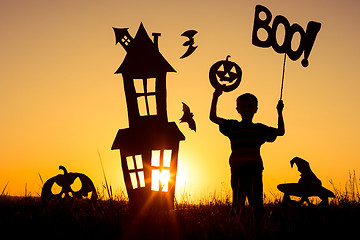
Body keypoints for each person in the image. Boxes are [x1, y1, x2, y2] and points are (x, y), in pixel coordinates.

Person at [210, 88, 285, 218]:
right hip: (237, 170)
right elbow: (213, 117)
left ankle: (257, 228)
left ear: (256, 109)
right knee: (237, 203)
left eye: (251, 106)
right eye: (243, 106)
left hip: (254, 171)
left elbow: (280, 131)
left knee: (256, 204)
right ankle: (236, 228)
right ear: (237, 109)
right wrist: (215, 96)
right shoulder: (232, 126)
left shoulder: (259, 129)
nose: (247, 109)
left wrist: (279, 112)